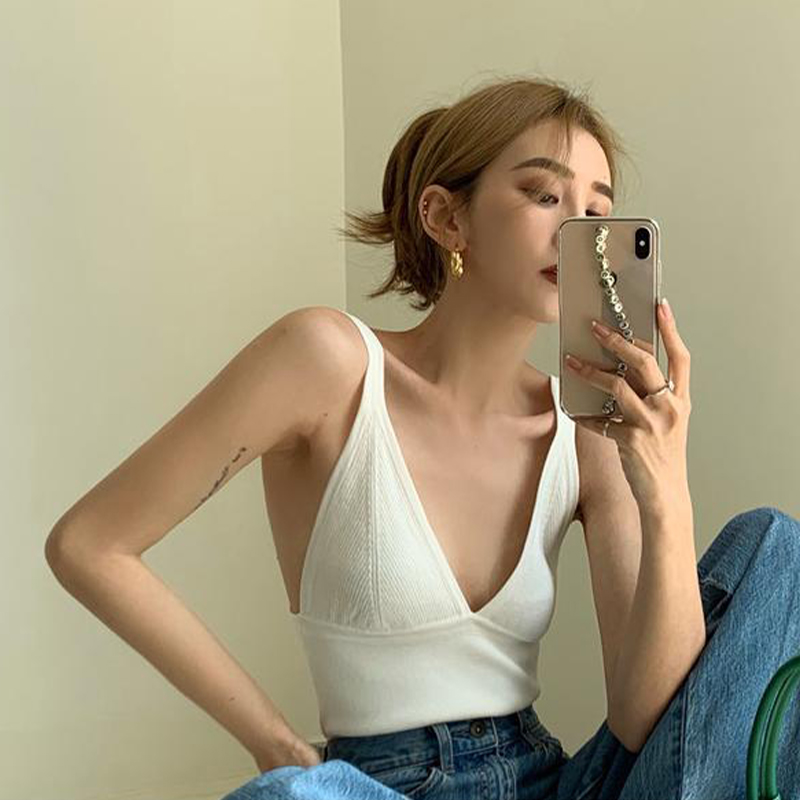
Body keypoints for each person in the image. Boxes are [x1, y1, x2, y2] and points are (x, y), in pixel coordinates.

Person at [47, 74, 800, 800]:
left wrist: (664, 486)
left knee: (775, 545)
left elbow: (649, 723)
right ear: (446, 218)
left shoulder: (587, 431)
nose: (577, 233)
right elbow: (89, 545)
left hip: (550, 779)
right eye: (544, 195)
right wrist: (279, 748)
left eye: (596, 211)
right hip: (367, 786)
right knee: (283, 797)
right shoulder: (328, 364)